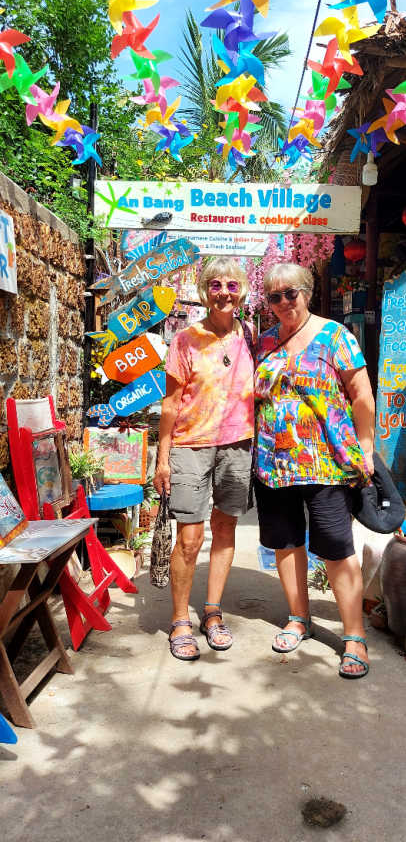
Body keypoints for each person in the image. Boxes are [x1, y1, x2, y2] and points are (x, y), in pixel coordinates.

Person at [253, 263, 375, 679]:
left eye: (291, 294)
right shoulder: (265, 340)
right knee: (286, 544)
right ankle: (298, 617)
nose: (284, 303)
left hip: (325, 462)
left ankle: (354, 636)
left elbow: (361, 394)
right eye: (274, 297)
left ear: (307, 292)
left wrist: (368, 447)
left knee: (336, 548)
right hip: (273, 464)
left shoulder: (336, 336)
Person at [153, 259, 254, 661]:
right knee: (190, 538)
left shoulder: (250, 335)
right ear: (204, 290)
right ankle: (180, 619)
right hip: (191, 445)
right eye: (215, 284)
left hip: (237, 445)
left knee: (226, 528)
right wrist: (162, 460)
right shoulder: (185, 339)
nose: (224, 292)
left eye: (232, 284)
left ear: (243, 290)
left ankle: (212, 612)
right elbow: (170, 403)